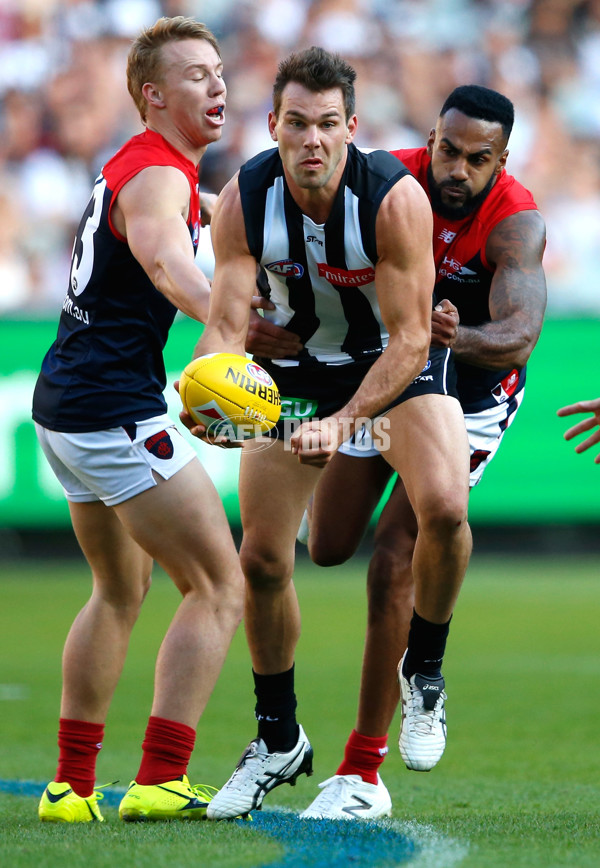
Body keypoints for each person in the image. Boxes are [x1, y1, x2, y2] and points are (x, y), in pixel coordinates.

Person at [182, 46, 473, 821]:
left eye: (327, 125)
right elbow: (222, 326)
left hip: (394, 366)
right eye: (297, 124)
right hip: (300, 379)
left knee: (444, 505)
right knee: (264, 559)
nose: (312, 140)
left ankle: (428, 673)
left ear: (353, 127)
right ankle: (277, 738)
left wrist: (347, 425)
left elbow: (414, 338)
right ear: (273, 123)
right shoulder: (244, 198)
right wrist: (208, 393)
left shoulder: (393, 198)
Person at [31, 16, 297, 825]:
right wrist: (236, 319)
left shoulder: (150, 167)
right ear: (153, 95)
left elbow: (197, 222)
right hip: (113, 410)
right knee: (219, 583)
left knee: (119, 588)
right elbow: (164, 260)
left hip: (67, 406)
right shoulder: (156, 175)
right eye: (195, 75)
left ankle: (69, 788)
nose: (217, 86)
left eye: (219, 72)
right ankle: (159, 778)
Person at [299, 84, 547, 819]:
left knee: (401, 547)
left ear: (502, 161)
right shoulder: (386, 180)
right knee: (329, 544)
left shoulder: (515, 220)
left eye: (477, 159)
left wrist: (452, 336)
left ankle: (411, 694)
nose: (457, 171)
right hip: (391, 372)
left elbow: (519, 335)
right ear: (429, 138)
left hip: (470, 393)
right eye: (447, 150)